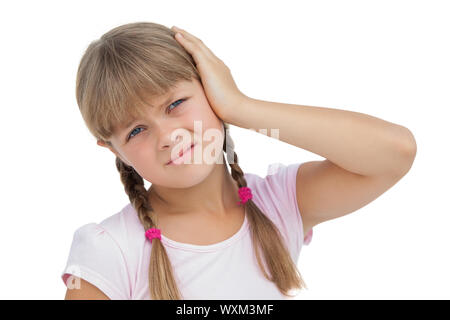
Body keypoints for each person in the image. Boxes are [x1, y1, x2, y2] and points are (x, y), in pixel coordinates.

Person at [61, 22, 416, 300]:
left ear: (211, 87)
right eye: (136, 130)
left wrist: (240, 107)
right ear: (114, 151)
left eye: (175, 104)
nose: (168, 136)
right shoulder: (110, 251)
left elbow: (396, 152)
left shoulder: (279, 203)